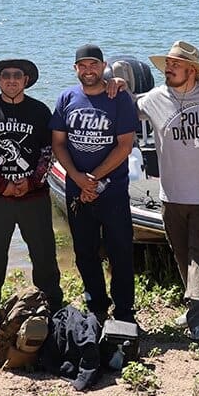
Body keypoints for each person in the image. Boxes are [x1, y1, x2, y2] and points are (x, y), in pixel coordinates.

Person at [137, 41, 199, 343]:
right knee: (182, 255)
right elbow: (121, 107)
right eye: (167, 64)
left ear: (192, 70)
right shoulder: (154, 98)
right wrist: (112, 84)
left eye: (175, 64)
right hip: (170, 196)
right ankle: (196, 306)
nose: (168, 69)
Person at [0, 58, 63, 323]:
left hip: (35, 197)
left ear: (26, 80)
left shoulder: (40, 112)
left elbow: (49, 152)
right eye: (5, 75)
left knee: (43, 253)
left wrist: (29, 183)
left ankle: (52, 302)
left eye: (16, 75)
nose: (11, 80)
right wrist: (3, 185)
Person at [50, 43, 140, 325]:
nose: (89, 71)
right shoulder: (66, 97)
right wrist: (77, 178)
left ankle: (124, 310)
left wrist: (95, 177)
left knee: (121, 250)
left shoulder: (119, 98)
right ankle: (97, 306)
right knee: (84, 251)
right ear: (75, 69)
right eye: (83, 66)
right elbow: (58, 143)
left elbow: (125, 146)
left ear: (103, 67)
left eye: (94, 65)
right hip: (77, 189)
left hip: (112, 190)